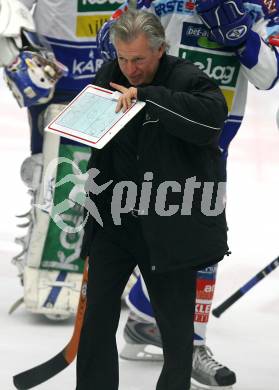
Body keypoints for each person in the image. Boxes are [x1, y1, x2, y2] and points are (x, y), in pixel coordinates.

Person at [96, 1, 279, 388]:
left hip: (211, 133)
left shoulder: (262, 4)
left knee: (197, 238)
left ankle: (167, 331)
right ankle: (160, 328)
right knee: (135, 225)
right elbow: (109, 37)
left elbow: (269, 74)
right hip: (151, 124)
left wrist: (240, 34)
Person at [76, 9, 229, 390]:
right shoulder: (110, 74)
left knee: (177, 334)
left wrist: (145, 97)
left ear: (160, 50)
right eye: (123, 58)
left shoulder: (190, 80)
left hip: (170, 225)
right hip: (115, 219)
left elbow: (211, 121)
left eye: (138, 59)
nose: (129, 69)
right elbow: (96, 137)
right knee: (96, 321)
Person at [4, 0, 126, 320]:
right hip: (59, 78)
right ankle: (56, 272)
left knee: (123, 177)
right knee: (58, 177)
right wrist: (15, 54)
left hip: (123, 72)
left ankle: (120, 269)